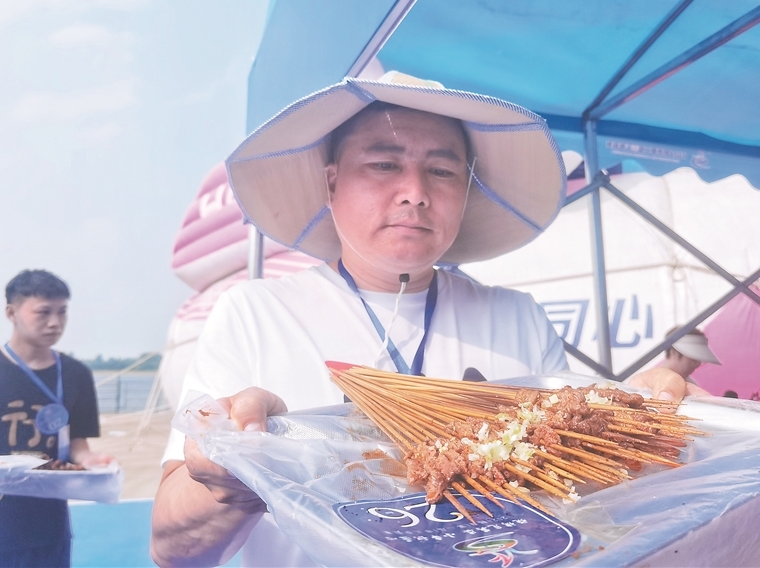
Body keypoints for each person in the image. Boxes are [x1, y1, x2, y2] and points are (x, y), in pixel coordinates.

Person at [151, 73, 698, 567]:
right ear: (331, 181)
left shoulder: (517, 318)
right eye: (384, 165)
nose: (415, 193)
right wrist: (234, 475)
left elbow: (583, 494)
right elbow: (171, 550)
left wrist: (641, 420)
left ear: (465, 190)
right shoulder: (256, 314)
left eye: (441, 170)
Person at [0, 269, 114, 567]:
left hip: (50, 523)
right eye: (43, 312)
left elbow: (77, 444)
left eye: (62, 311)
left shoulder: (76, 374)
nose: (55, 322)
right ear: (11, 313)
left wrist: (91, 461)